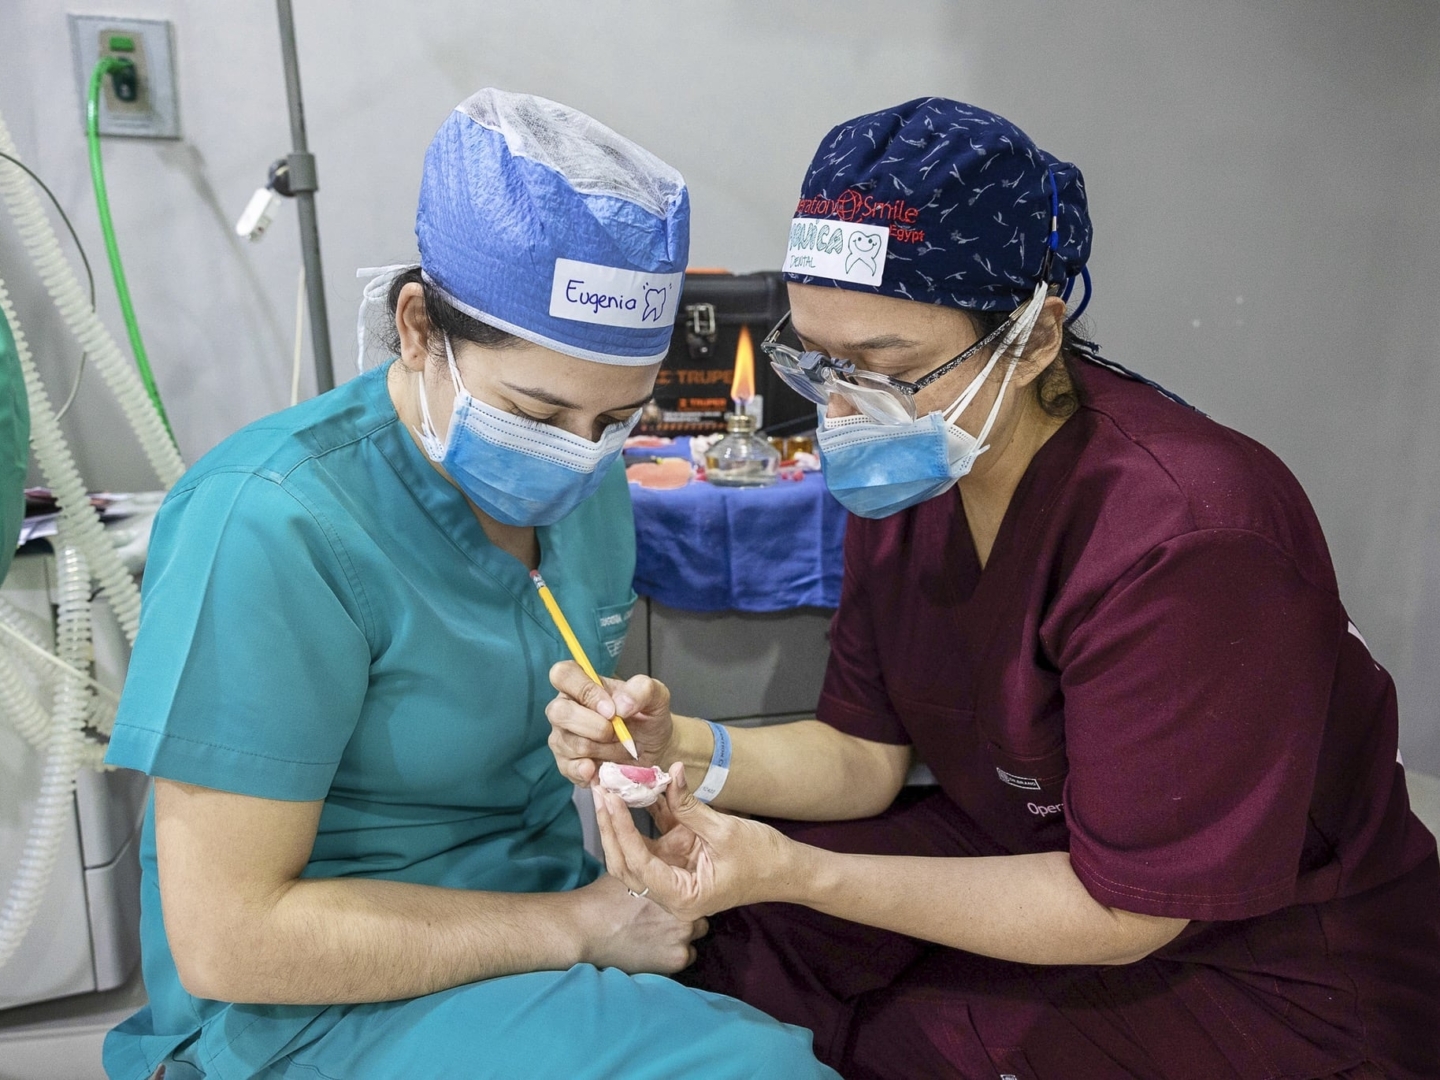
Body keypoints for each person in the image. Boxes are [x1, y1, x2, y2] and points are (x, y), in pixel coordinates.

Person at [546, 97, 1440, 1079]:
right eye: (825, 363)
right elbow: (862, 757)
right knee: (742, 943)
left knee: (913, 1041)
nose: (845, 411)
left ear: (1038, 335)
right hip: (1017, 842)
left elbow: (1128, 908)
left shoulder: (1188, 539)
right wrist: (682, 749)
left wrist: (806, 870)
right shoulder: (923, 470)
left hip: (1261, 954)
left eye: (892, 367)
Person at [100, 88, 836, 1080]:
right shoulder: (272, 524)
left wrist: (630, 777)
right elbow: (231, 938)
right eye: (538, 408)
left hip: (543, 919)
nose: (578, 459)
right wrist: (574, 925)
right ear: (416, 327)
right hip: (309, 998)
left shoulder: (588, 493)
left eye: (615, 418)